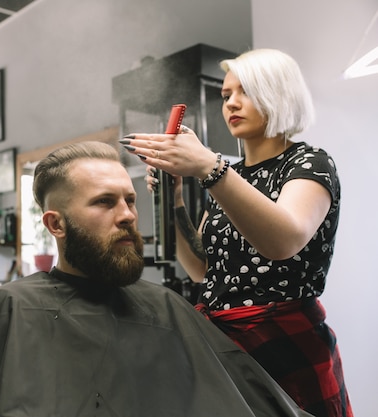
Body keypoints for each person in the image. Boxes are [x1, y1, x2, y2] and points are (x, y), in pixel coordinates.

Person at [0, 141, 312, 417]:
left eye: (130, 200)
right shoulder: (10, 309)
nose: (127, 214)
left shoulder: (167, 307)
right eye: (104, 201)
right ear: (55, 224)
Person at [120, 48, 353, 417]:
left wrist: (211, 168)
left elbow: (284, 240)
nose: (232, 103)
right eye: (227, 95)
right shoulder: (233, 176)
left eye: (246, 91)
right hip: (221, 345)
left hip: (285, 345)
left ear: (279, 93)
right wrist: (175, 198)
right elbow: (201, 268)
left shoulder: (309, 163)